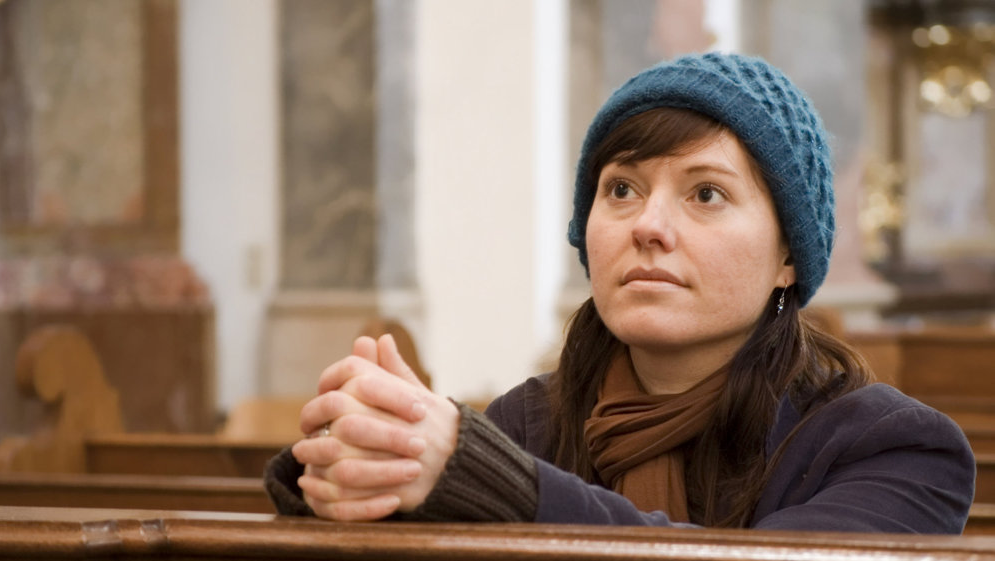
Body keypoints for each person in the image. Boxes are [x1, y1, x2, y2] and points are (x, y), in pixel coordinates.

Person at [264, 52, 975, 532]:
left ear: (790, 254)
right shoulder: (529, 425)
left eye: (705, 193)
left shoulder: (897, 449)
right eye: (621, 189)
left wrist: (492, 479)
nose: (649, 227)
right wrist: (351, 457)